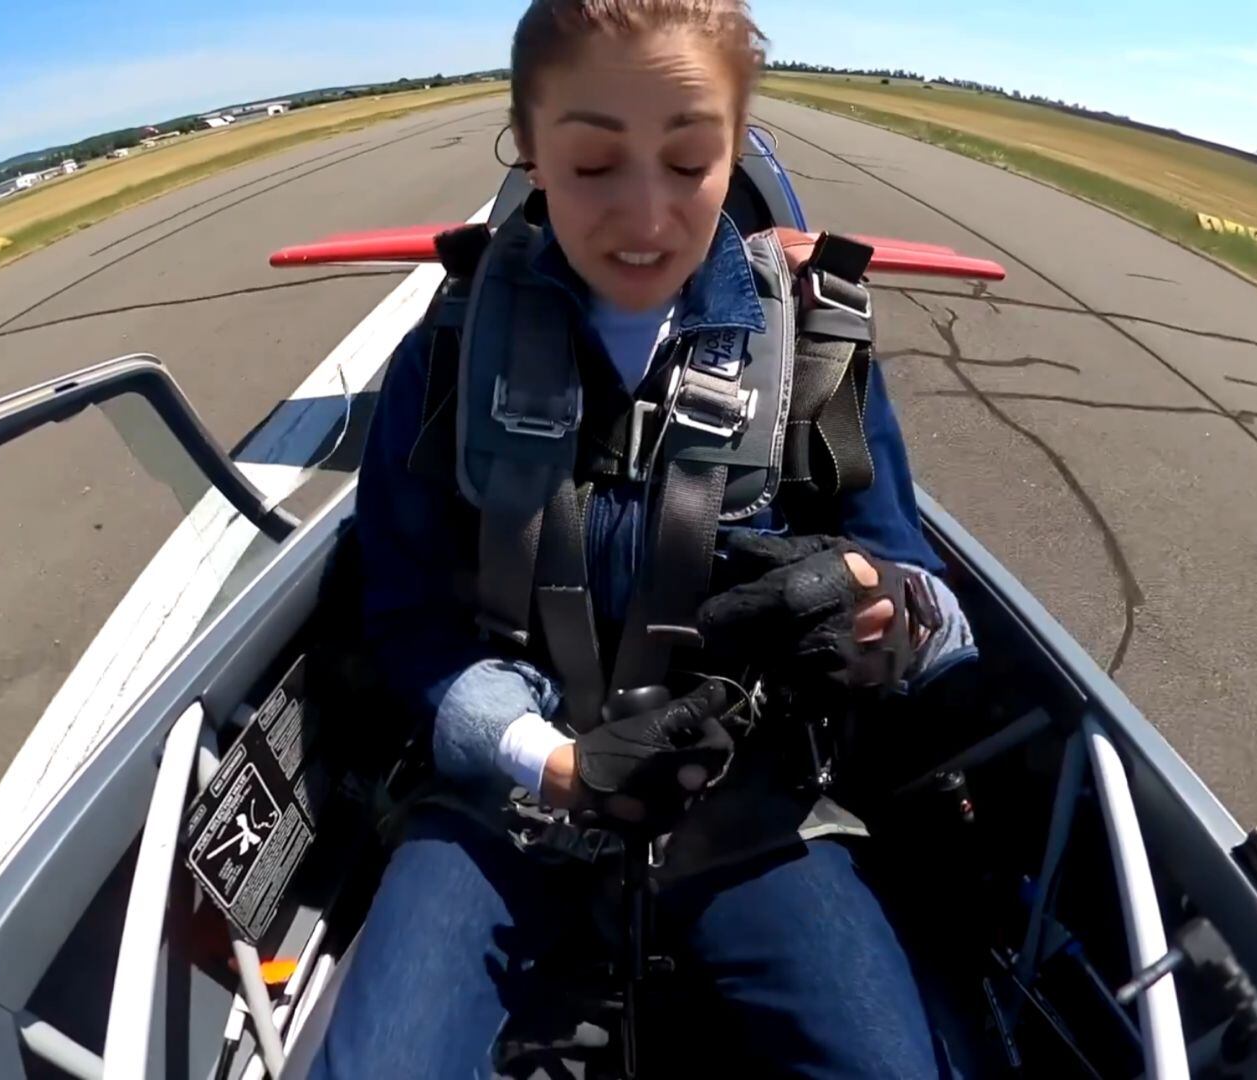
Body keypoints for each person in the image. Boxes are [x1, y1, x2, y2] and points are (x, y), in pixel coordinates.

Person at [312, 2, 977, 1076]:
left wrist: (877, 614)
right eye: (590, 164)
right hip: (508, 804)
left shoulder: (813, 349)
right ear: (528, 152)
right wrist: (547, 758)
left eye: (688, 160)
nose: (645, 215)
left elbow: (925, 596)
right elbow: (404, 616)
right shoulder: (449, 355)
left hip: (747, 800)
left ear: (737, 142)